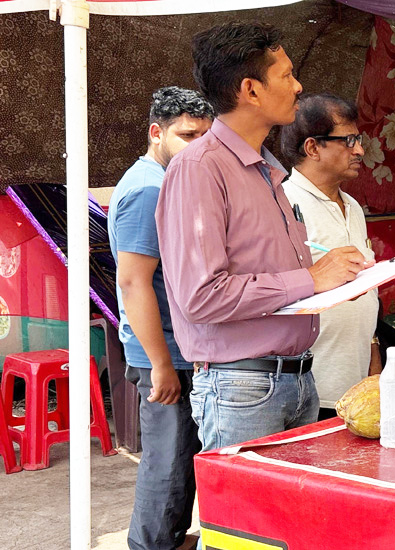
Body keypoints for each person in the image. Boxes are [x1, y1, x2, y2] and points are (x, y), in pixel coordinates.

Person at [156, 22, 372, 452]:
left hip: (295, 379)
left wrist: (335, 284)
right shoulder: (199, 169)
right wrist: (311, 279)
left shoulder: (265, 170)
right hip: (243, 389)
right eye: (286, 75)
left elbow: (268, 282)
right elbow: (201, 296)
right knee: (242, 521)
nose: (298, 85)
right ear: (250, 90)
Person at [109, 86, 213, 550]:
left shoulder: (164, 181)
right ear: (157, 133)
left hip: (174, 348)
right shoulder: (149, 188)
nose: (199, 146)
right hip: (162, 354)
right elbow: (133, 282)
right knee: (167, 467)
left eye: (205, 137)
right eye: (188, 135)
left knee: (178, 463)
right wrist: (161, 364)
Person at [279, 93, 381, 418]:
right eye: (349, 140)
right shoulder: (282, 206)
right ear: (312, 148)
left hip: (356, 382)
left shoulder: (352, 207)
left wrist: (373, 354)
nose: (360, 150)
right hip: (308, 389)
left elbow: (365, 287)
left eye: (359, 139)